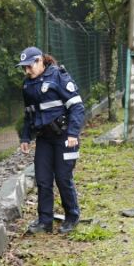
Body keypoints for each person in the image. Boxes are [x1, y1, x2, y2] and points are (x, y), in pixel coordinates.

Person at [17, 46, 86, 234]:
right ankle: (44, 221)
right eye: (24, 68)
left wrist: (73, 133)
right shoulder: (27, 85)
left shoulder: (58, 77)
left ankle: (72, 217)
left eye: (29, 66)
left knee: (63, 178)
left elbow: (77, 107)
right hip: (44, 139)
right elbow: (28, 114)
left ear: (40, 61)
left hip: (64, 137)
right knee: (43, 179)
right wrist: (25, 137)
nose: (27, 71)